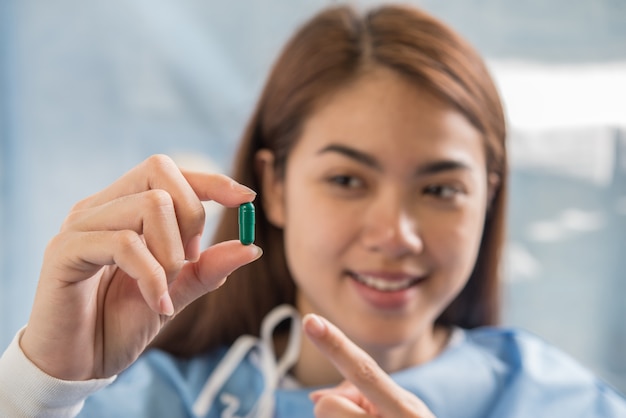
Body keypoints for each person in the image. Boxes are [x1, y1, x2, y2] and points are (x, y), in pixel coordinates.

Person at [1, 3, 625, 417]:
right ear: (272, 188)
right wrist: (42, 389)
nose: (396, 235)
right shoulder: (129, 400)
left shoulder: (566, 404)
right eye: (347, 179)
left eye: (440, 190)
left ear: (488, 199)